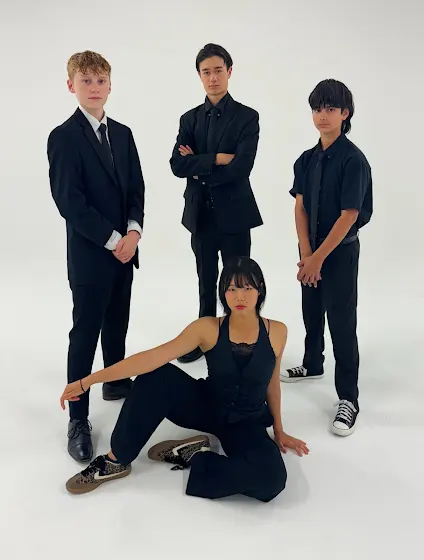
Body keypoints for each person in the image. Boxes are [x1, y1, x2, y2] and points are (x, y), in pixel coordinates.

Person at [60, 257, 309, 501]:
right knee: (156, 374)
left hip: (246, 422)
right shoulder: (207, 328)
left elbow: (272, 385)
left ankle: (194, 455)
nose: (239, 297)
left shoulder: (277, 332)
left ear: (260, 289)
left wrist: (279, 430)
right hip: (207, 407)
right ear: (223, 293)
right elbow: (152, 357)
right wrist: (88, 381)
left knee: (272, 479)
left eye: (247, 288)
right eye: (232, 289)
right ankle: (115, 461)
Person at [47, 50, 145, 463]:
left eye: (100, 80)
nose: (94, 87)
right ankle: (78, 418)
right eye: (85, 81)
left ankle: (115, 380)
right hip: (92, 255)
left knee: (117, 322)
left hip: (125, 252)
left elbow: (136, 188)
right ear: (71, 85)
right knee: (85, 334)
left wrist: (134, 232)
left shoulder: (123, 133)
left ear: (110, 85)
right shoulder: (63, 137)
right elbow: (69, 201)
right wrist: (113, 239)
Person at [280, 79, 373, 437]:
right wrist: (306, 254)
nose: (322, 115)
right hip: (311, 252)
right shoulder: (306, 159)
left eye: (330, 109)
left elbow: (350, 215)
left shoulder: (353, 160)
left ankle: (348, 398)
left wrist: (318, 258)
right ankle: (312, 363)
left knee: (342, 322)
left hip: (340, 251)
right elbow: (300, 206)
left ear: (345, 113)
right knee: (311, 308)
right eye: (317, 109)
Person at [170, 43, 263, 364]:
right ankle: (204, 339)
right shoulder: (189, 119)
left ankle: (242, 342)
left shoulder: (247, 117)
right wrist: (218, 159)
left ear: (229, 72)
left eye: (218, 71)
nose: (213, 78)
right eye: (206, 72)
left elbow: (242, 168)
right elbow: (176, 165)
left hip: (235, 215)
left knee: (240, 283)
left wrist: (198, 164)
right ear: (199, 75)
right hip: (200, 216)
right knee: (206, 281)